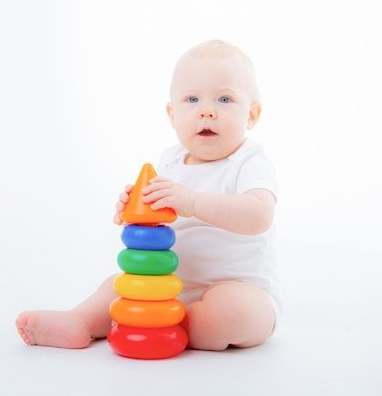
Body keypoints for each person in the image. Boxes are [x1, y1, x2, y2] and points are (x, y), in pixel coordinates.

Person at [16, 39, 280, 351]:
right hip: (167, 285)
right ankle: (81, 321)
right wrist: (133, 210)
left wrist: (193, 202)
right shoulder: (170, 161)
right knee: (117, 286)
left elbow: (259, 215)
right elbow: (155, 217)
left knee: (237, 313)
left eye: (224, 99)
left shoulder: (248, 160)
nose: (207, 111)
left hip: (236, 287)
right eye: (192, 99)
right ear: (172, 114)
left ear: (251, 115)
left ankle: (159, 325)